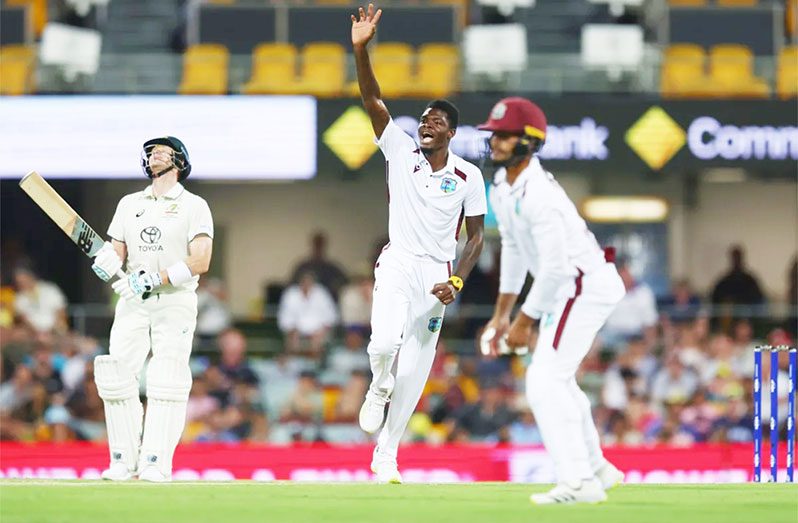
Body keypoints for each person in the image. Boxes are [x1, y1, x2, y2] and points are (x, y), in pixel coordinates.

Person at [351, 3, 487, 483]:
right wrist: (360, 52)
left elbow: (476, 239)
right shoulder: (399, 150)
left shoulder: (469, 175)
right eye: (422, 120)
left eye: (433, 122)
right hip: (399, 262)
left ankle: (386, 453)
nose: (424, 125)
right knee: (384, 343)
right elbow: (373, 100)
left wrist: (455, 279)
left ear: (450, 131)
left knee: (416, 369)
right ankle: (377, 383)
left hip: (436, 276)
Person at [479, 97, 625, 504]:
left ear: (529, 140)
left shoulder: (538, 194)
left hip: (582, 285)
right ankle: (596, 468)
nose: (494, 142)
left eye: (503, 135)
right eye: (493, 135)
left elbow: (558, 270)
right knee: (556, 378)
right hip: (567, 287)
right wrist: (501, 316)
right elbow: (511, 246)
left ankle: (579, 483)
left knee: (543, 380)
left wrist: (524, 322)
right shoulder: (504, 187)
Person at [89, 136, 213, 482]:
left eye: (161, 150)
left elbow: (201, 261)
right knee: (116, 375)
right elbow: (116, 254)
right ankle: (122, 460)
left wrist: (154, 279)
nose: (153, 154)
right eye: (150, 151)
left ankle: (156, 461)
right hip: (132, 301)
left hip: (174, 300)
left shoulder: (194, 205)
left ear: (180, 161)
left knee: (167, 377)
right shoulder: (129, 203)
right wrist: (107, 264)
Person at [290, 232, 348, 300]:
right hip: (304, 305)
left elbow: (345, 286)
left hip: (328, 306)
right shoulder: (302, 268)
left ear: (324, 245)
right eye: (316, 244)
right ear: (312, 245)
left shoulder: (333, 269)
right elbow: (292, 289)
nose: (318, 247)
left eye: (320, 244)